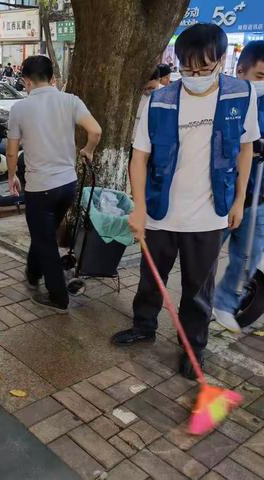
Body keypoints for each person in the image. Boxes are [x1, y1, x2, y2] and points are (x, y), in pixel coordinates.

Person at [111, 24, 260, 379]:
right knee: (151, 278)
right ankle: (144, 325)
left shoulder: (241, 95)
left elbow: (245, 149)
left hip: (210, 214)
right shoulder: (158, 101)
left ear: (222, 61)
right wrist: (139, 207)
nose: (194, 76)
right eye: (187, 69)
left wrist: (239, 200)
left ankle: (193, 346)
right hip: (161, 212)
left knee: (198, 288)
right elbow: (139, 157)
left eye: (203, 69)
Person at [6, 55, 101, 313]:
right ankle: (32, 271)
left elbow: (12, 151)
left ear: (26, 81)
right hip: (67, 185)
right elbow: (95, 131)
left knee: (45, 240)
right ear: (53, 78)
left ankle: (58, 297)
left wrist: (12, 175)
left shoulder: (20, 109)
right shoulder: (70, 100)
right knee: (44, 233)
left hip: (40, 188)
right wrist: (88, 150)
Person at [213, 41, 264, 332]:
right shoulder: (226, 100)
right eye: (259, 77)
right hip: (224, 196)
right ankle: (194, 317)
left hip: (258, 199)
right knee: (203, 262)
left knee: (248, 257)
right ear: (240, 70)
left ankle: (225, 302)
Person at [132, 67, 161, 144]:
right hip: (134, 141)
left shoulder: (165, 96)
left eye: (151, 88)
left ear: (159, 80)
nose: (148, 91)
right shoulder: (133, 95)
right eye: (145, 88)